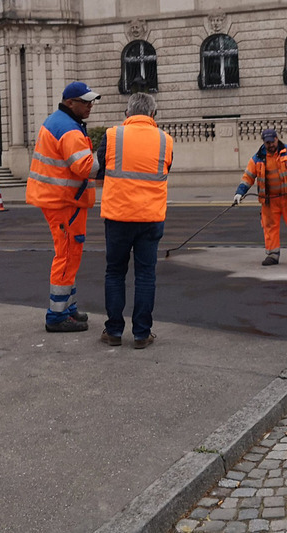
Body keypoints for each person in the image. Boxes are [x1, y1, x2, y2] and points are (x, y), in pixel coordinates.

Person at [96, 93, 173, 349]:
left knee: (115, 272)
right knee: (145, 276)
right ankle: (142, 334)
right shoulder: (165, 140)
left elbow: (100, 167)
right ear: (154, 114)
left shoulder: (111, 136)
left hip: (118, 216)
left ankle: (114, 331)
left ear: (127, 113)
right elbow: (166, 168)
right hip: (150, 218)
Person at [26, 81, 100, 332]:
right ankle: (57, 317)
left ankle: (68, 308)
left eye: (92, 101)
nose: (90, 106)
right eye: (86, 101)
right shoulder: (69, 128)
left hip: (62, 199)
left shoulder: (61, 122)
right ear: (71, 103)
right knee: (67, 255)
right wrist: (106, 155)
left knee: (70, 255)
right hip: (64, 201)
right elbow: (86, 167)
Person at [232, 128, 287, 266]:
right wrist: (240, 192)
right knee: (270, 228)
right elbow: (248, 177)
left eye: (272, 141)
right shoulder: (257, 158)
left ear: (276, 138)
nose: (271, 145)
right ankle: (272, 255)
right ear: (264, 142)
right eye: (267, 143)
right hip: (269, 200)